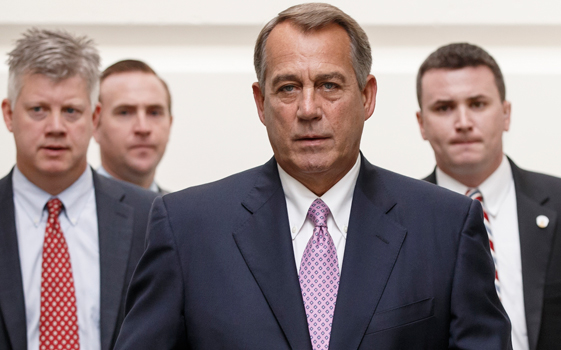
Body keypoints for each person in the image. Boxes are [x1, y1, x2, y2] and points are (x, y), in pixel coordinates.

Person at [114, 4, 511, 349]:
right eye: (288, 88)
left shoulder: (446, 226)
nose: (308, 108)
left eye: (329, 85)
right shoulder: (187, 228)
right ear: (261, 102)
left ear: (367, 96)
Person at [416, 42, 561, 350]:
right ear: (421, 124)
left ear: (505, 114)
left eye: (478, 104)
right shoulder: (397, 221)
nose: (463, 122)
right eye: (444, 107)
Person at [0, 28, 157, 350]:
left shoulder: (152, 218)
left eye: (71, 111)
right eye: (38, 109)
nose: (55, 127)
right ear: (9, 114)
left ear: (94, 117)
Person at [94, 59, 173, 194]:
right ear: (95, 124)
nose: (143, 128)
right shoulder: (67, 210)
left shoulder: (183, 212)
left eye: (154, 113)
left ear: (170, 124)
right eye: (124, 112)